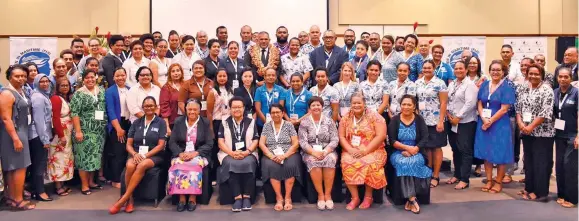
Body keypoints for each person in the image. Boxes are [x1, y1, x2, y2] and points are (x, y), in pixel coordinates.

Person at [109, 96, 167, 214]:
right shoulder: (136, 122)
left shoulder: (160, 122)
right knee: (130, 166)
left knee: (142, 165)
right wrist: (135, 154)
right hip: (136, 153)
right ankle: (130, 200)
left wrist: (145, 155)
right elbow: (128, 144)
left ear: (156, 107)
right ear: (143, 108)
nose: (149, 108)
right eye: (146, 106)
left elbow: (161, 145)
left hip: (154, 155)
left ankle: (123, 199)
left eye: (151, 106)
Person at [339, 92, 387, 210]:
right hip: (352, 150)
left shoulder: (374, 116)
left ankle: (368, 197)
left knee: (370, 163)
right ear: (350, 104)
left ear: (364, 103)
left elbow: (381, 136)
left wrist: (365, 151)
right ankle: (355, 198)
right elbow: (341, 137)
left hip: (373, 149)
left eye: (359, 103)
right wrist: (350, 149)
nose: (356, 105)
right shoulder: (346, 117)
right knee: (346, 162)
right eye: (354, 103)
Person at [475, 60, 516, 194]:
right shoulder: (485, 84)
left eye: (498, 70)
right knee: (487, 152)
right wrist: (483, 118)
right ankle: (489, 180)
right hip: (484, 122)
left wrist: (490, 121)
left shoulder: (507, 87)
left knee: (500, 153)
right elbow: (479, 103)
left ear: (503, 71)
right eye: (493, 69)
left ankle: (498, 181)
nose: (495, 72)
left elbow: (504, 109)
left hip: (499, 124)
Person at [516, 64, 555, 202]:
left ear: (541, 75)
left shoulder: (547, 90)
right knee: (529, 162)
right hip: (527, 132)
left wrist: (531, 126)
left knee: (541, 163)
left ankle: (540, 192)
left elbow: (546, 112)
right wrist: (521, 124)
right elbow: (518, 108)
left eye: (536, 74)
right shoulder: (524, 88)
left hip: (542, 134)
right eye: (530, 73)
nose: (533, 76)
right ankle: (529, 188)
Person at [388, 94, 432, 214]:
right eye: (403, 104)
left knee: (414, 161)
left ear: (414, 107)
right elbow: (392, 141)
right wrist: (406, 149)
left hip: (416, 150)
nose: (406, 107)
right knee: (403, 162)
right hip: (398, 151)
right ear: (400, 106)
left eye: (409, 104)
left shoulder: (419, 119)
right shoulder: (395, 120)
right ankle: (412, 198)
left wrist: (415, 149)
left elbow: (425, 138)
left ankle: (410, 199)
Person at [167, 99, 212, 212]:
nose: (192, 112)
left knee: (194, 165)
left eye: (195, 109)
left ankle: (192, 197)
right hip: (181, 154)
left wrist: (195, 153)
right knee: (177, 165)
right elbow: (172, 142)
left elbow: (209, 143)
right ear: (185, 110)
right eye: (189, 109)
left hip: (198, 154)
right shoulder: (178, 121)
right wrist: (179, 153)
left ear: (199, 110)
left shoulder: (205, 122)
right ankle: (182, 198)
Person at [0, 65, 35, 210]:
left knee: (13, 167)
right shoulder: (7, 94)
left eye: (23, 76)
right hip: (14, 133)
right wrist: (15, 138)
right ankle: (18, 200)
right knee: (19, 167)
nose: (21, 78)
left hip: (20, 131)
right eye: (17, 76)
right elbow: (6, 118)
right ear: (9, 77)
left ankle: (11, 198)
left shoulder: (20, 91)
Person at [217, 96, 259, 212]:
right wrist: (231, 153)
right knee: (231, 164)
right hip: (229, 153)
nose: (237, 109)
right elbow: (220, 142)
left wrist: (247, 152)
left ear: (244, 108)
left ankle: (247, 196)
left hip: (248, 153)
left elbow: (256, 140)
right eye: (234, 107)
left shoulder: (251, 122)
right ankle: (237, 198)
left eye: (239, 107)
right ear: (230, 109)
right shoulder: (224, 123)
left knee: (249, 163)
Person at [259, 104, 302, 211]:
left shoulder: (289, 125)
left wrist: (285, 155)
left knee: (291, 164)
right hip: (271, 154)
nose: (275, 114)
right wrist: (271, 156)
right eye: (273, 112)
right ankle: (279, 198)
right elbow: (261, 144)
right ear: (270, 114)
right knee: (271, 165)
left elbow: (296, 143)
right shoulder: (267, 126)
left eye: (278, 112)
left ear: (282, 113)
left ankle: (288, 197)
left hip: (289, 153)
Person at [70, 69, 107, 195]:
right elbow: (75, 113)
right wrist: (78, 131)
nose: (90, 80)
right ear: (83, 79)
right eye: (87, 78)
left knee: (95, 158)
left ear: (96, 77)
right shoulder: (78, 94)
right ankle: (84, 185)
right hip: (85, 131)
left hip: (99, 131)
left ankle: (91, 182)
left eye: (92, 77)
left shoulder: (101, 90)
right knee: (84, 158)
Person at [298, 97, 339, 210]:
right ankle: (320, 195)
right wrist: (313, 152)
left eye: (318, 105)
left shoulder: (329, 121)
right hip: (310, 151)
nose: (316, 107)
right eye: (313, 105)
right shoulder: (304, 122)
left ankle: (328, 195)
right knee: (313, 161)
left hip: (327, 150)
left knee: (330, 160)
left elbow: (335, 139)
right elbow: (302, 141)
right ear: (309, 108)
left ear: (322, 107)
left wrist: (325, 151)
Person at [445, 60, 479, 189]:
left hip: (466, 122)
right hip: (452, 121)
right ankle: (457, 175)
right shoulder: (452, 83)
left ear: (466, 70)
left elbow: (470, 103)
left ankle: (465, 179)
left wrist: (458, 117)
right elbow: (447, 99)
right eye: (456, 68)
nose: (458, 70)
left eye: (461, 68)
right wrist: (449, 115)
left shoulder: (470, 85)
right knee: (455, 149)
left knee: (465, 150)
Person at [415, 60, 448, 188]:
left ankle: (436, 175)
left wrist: (440, 121)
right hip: (422, 121)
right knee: (427, 147)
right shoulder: (418, 83)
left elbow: (444, 103)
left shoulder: (440, 83)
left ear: (434, 68)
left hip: (435, 121)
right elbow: (416, 101)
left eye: (429, 68)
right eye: (425, 68)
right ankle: (428, 172)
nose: (427, 70)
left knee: (436, 147)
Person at [553, 67, 578, 208]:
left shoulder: (576, 93)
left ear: (571, 78)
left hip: (572, 135)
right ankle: (561, 194)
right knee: (560, 166)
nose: (563, 79)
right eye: (560, 77)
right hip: (559, 134)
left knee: (570, 166)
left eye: (566, 77)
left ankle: (572, 198)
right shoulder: (555, 92)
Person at [104, 68, 131, 188]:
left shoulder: (130, 89)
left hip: (128, 123)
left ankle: (124, 176)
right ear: (114, 77)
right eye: (117, 76)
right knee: (117, 153)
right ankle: (115, 179)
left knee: (126, 152)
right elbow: (110, 111)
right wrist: (118, 129)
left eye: (122, 75)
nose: (120, 78)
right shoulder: (110, 91)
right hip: (117, 123)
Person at [28, 74, 54, 201]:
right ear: (37, 83)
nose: (45, 84)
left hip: (39, 134)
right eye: (41, 82)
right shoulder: (38, 97)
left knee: (37, 164)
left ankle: (34, 189)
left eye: (46, 81)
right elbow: (39, 121)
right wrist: (44, 139)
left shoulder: (42, 95)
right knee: (39, 165)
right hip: (38, 135)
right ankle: (40, 192)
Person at [48, 78, 74, 195]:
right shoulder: (56, 99)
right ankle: (58, 186)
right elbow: (55, 118)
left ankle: (62, 183)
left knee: (65, 159)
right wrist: (61, 135)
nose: (65, 87)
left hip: (67, 133)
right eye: (62, 85)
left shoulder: (66, 98)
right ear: (57, 87)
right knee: (58, 158)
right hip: (60, 134)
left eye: (66, 85)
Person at [160, 64, 185, 134]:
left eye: (178, 70)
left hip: (187, 120)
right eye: (173, 71)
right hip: (173, 122)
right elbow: (164, 107)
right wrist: (167, 126)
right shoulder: (166, 88)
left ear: (181, 72)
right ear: (169, 74)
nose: (176, 73)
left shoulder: (186, 85)